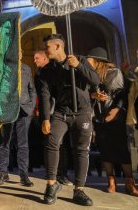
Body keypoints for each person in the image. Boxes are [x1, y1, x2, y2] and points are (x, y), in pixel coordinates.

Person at [36, 34, 99, 206]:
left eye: (47, 47)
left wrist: (78, 66)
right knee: (51, 141)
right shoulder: (46, 70)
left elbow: (95, 80)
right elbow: (45, 95)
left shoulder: (79, 60)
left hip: (82, 113)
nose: (45, 50)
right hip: (61, 112)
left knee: (81, 150)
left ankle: (79, 190)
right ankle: (51, 184)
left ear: (57, 46)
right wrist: (45, 118)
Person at [86, 47, 138, 196]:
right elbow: (87, 93)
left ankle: (129, 182)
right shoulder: (91, 75)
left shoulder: (115, 73)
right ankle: (111, 181)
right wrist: (94, 95)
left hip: (115, 117)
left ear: (98, 61)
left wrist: (115, 110)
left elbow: (122, 94)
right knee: (105, 150)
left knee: (121, 149)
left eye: (91, 60)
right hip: (99, 117)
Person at [0, 50, 36, 187]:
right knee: (4, 142)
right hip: (7, 110)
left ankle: (24, 175)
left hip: (23, 110)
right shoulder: (4, 67)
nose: (17, 53)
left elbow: (32, 89)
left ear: (21, 54)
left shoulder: (26, 68)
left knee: (23, 144)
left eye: (19, 51)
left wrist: (31, 107)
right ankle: (3, 172)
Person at [34, 50, 73, 186]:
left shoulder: (52, 71)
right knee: (50, 144)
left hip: (57, 112)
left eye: (37, 58)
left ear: (45, 58)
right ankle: (52, 173)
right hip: (46, 113)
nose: (35, 60)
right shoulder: (39, 73)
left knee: (60, 144)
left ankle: (62, 174)